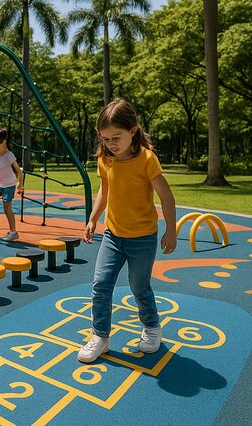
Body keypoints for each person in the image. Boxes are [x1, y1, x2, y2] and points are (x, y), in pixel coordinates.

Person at [78, 98, 177, 364]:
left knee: (139, 286)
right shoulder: (105, 159)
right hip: (113, 235)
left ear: (133, 131)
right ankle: (100, 336)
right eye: (106, 139)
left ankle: (152, 327)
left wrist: (171, 229)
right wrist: (93, 218)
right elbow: (104, 190)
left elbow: (166, 196)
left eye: (116, 138)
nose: (111, 144)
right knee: (101, 284)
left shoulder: (146, 159)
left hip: (143, 238)